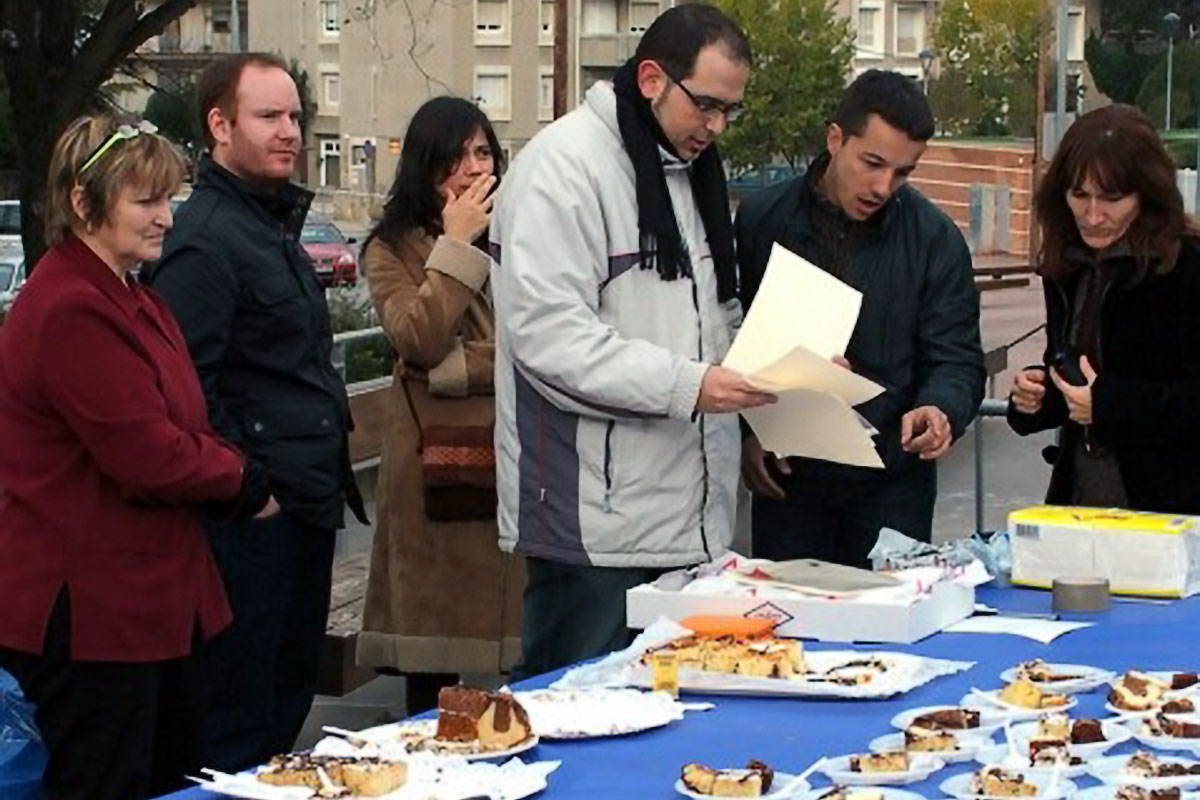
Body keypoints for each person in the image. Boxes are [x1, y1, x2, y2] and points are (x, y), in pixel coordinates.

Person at [491, 4, 774, 680]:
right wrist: (693, 386)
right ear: (651, 79)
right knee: (572, 720)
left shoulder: (682, 170)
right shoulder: (561, 169)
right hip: (593, 526)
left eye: (730, 110)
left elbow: (709, 319)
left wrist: (780, 366)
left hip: (687, 518)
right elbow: (550, 341)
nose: (717, 126)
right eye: (706, 104)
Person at [0, 114, 271, 800]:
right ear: (84, 204)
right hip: (93, 614)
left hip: (146, 603)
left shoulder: (130, 295)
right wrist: (240, 478)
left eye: (168, 197)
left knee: (170, 778)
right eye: (145, 201)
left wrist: (221, 460)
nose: (165, 218)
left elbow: (182, 421)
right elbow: (145, 453)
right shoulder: (70, 306)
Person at [146, 53, 368, 772]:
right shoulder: (206, 240)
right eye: (269, 116)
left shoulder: (265, 224)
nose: (290, 133)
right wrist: (253, 487)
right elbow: (187, 391)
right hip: (249, 530)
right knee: (237, 729)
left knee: (280, 714)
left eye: (296, 117)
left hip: (300, 510)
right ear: (219, 125)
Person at [735, 70, 985, 568]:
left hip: (892, 484)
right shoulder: (761, 219)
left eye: (903, 172)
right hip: (788, 481)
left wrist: (940, 409)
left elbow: (957, 358)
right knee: (786, 633)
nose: (883, 186)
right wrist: (746, 433)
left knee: (886, 638)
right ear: (835, 139)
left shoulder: (934, 238)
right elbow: (729, 335)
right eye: (872, 163)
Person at [354, 97, 524, 712]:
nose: (473, 169)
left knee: (518, 663)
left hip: (514, 460)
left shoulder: (522, 233)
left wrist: (458, 367)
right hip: (437, 471)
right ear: (427, 169)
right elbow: (419, 339)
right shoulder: (392, 248)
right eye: (455, 158)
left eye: (484, 153)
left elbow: (537, 344)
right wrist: (455, 245)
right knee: (438, 673)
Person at [1008, 104, 1200, 512]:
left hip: (1171, 513)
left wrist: (1110, 405)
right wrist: (1038, 397)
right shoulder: (1067, 265)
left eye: (1112, 198)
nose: (1093, 215)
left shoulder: (1188, 266)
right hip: (1081, 501)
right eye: (1079, 195)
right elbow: (1078, 379)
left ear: (1146, 194)